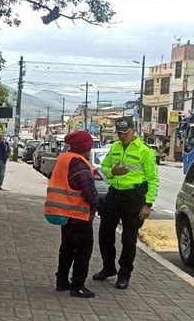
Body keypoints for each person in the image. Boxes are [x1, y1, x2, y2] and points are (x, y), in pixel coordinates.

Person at [93, 117, 159, 289]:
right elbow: (104, 169)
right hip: (115, 195)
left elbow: (153, 180)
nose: (122, 137)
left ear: (133, 131)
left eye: (125, 133)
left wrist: (148, 204)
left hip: (134, 197)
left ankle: (124, 274)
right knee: (105, 234)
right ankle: (108, 268)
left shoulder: (144, 151)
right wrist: (113, 172)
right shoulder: (114, 147)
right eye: (119, 133)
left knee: (129, 239)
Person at [44, 131, 99, 298]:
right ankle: (78, 286)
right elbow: (89, 192)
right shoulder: (80, 165)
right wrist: (97, 206)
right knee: (83, 250)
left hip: (64, 214)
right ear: (85, 148)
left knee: (66, 248)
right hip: (78, 215)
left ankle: (62, 282)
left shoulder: (64, 159)